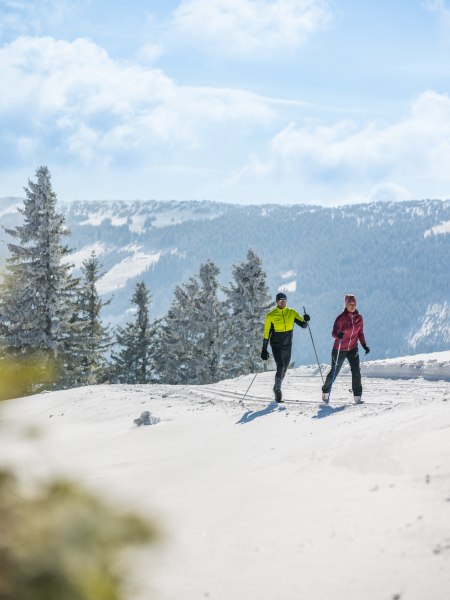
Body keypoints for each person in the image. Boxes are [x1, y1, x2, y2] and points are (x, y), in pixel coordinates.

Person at [321, 293, 370, 405]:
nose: (352, 306)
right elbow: (334, 332)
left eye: (354, 304)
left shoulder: (359, 318)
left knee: (356, 371)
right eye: (350, 304)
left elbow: (360, 333)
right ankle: (325, 391)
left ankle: (357, 396)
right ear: (346, 305)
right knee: (335, 372)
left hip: (353, 348)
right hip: (340, 348)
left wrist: (364, 345)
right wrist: (339, 335)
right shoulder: (341, 318)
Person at [261, 292, 310, 402]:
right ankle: (278, 391)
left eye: (284, 300)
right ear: (277, 302)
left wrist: (306, 319)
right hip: (276, 344)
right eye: (280, 300)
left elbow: (303, 325)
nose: (282, 302)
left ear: (286, 301)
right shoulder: (271, 315)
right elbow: (266, 333)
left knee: (285, 368)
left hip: (288, 344)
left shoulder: (291, 312)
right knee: (281, 365)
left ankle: (276, 386)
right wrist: (264, 349)